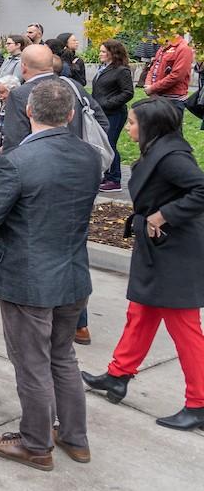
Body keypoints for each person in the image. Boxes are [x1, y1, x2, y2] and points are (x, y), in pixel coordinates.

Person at [0, 79, 100, 471]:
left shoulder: (15, 162)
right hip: (72, 274)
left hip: (29, 279)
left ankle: (36, 443)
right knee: (63, 356)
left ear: (28, 112)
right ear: (71, 115)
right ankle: (75, 437)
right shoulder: (89, 157)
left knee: (32, 363)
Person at [81, 97, 204, 432]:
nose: (128, 127)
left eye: (133, 122)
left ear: (151, 126)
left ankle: (200, 404)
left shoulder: (174, 156)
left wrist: (164, 214)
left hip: (176, 250)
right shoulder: (160, 148)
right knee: (141, 313)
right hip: (159, 247)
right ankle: (118, 375)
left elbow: (201, 190)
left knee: (185, 328)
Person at [94, 40, 135, 193]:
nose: (100, 54)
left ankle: (114, 179)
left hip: (114, 113)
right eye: (100, 51)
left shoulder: (121, 70)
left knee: (110, 144)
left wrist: (108, 103)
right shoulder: (103, 69)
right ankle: (107, 175)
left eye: (103, 51)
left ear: (113, 53)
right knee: (104, 144)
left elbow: (128, 92)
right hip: (102, 112)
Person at [145, 34, 196, 112]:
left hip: (173, 101)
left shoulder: (184, 48)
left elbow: (177, 75)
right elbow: (153, 67)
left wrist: (152, 88)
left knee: (169, 124)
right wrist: (148, 85)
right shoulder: (164, 46)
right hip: (156, 97)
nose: (158, 32)